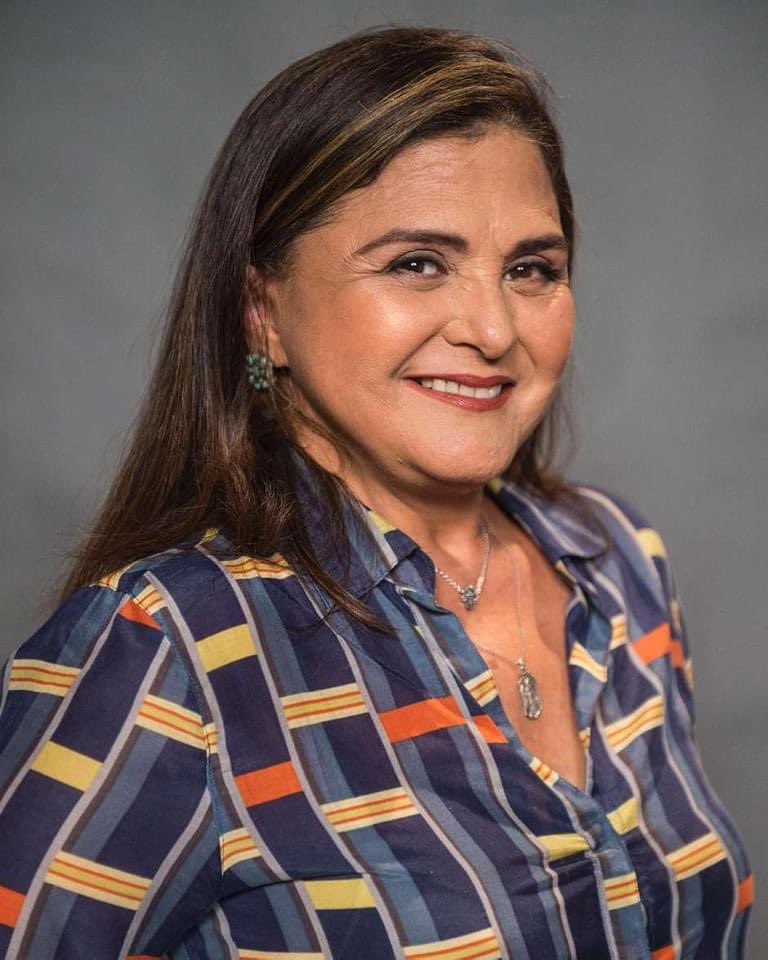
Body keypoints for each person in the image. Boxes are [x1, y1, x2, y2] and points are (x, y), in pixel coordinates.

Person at [0, 24, 752, 960]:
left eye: (531, 269)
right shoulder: (167, 647)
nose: (492, 329)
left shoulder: (618, 558)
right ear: (263, 312)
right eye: (416, 263)